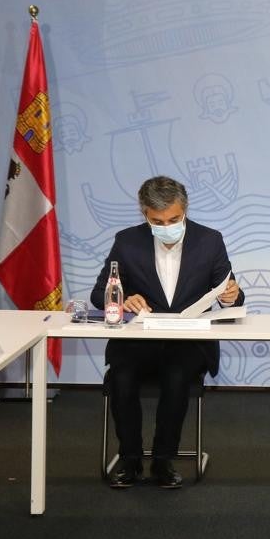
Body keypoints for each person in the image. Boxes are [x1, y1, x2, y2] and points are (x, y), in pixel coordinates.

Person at [92, 176, 243, 489]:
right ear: (144, 213)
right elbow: (99, 294)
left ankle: (163, 461)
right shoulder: (127, 241)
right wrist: (120, 298)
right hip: (140, 340)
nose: (167, 226)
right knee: (122, 378)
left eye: (174, 219)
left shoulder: (210, 240)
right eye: (157, 221)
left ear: (185, 210)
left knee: (176, 377)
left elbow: (230, 292)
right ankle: (130, 460)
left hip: (189, 343)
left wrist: (232, 295)